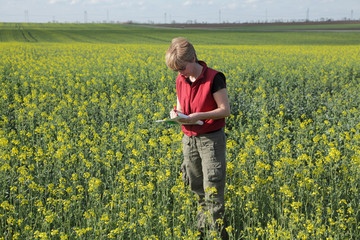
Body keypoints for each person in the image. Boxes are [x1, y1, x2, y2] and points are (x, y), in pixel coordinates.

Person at [165, 37, 230, 239]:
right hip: (189, 140)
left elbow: (225, 110)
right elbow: (181, 107)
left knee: (212, 189)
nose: (180, 73)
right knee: (196, 187)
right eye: (176, 70)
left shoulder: (214, 78)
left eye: (182, 67)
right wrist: (177, 115)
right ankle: (202, 232)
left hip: (211, 140)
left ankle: (218, 234)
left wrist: (198, 116)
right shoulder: (180, 80)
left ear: (193, 58)